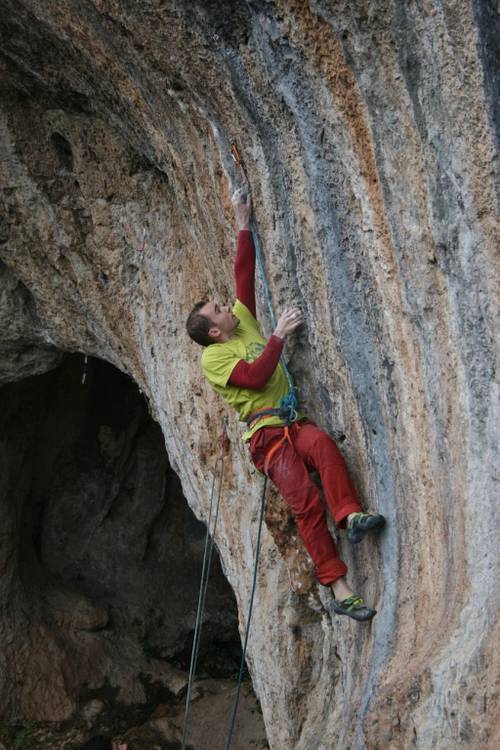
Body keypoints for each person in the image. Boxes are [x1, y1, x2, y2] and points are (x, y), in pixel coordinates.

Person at [186, 188, 385, 622]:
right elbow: (254, 378)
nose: (226, 306)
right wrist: (277, 335)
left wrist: (241, 221)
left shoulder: (241, 323)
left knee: (325, 448)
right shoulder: (215, 357)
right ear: (215, 331)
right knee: (304, 502)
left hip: (292, 424)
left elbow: (244, 274)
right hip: (267, 438)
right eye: (218, 310)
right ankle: (339, 587)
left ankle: (350, 515)